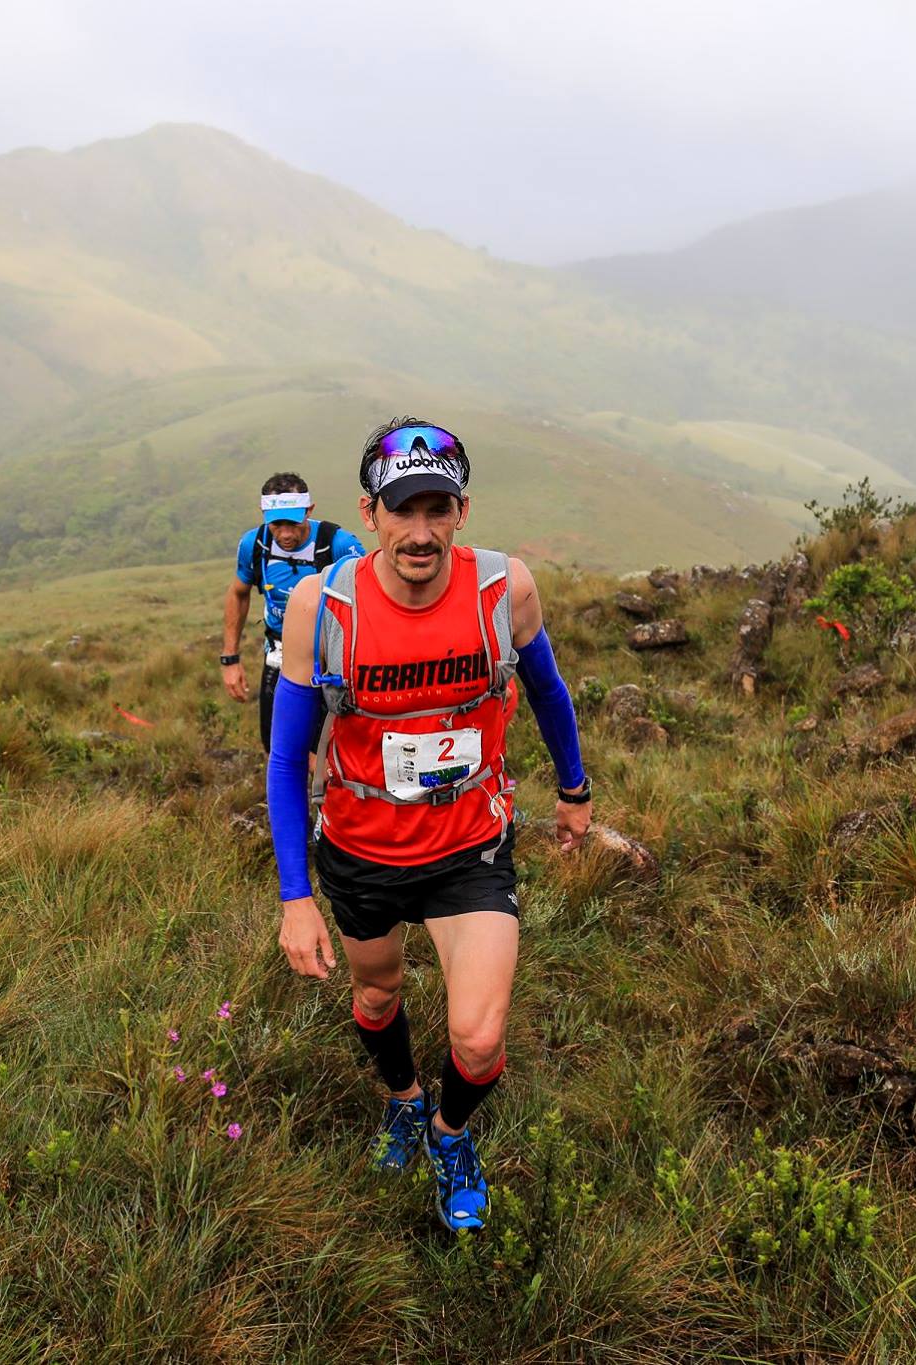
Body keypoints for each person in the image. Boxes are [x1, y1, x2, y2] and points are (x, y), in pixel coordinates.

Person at [264, 418, 592, 1231]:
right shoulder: (321, 605)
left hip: (467, 849)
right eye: (401, 510)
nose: (420, 532)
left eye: (436, 508)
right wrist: (294, 895)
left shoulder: (503, 590)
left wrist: (575, 789)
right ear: (369, 514)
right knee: (377, 993)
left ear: (461, 510)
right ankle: (405, 1101)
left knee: (477, 1040)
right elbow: (284, 758)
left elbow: (549, 692)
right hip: (359, 849)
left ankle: (450, 1134)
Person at [222, 473, 364, 749]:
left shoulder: (339, 544)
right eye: (276, 524)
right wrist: (230, 659)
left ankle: (328, 790)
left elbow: (367, 602)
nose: (285, 534)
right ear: (264, 515)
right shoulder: (255, 545)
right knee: (277, 743)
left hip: (330, 655)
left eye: (293, 522)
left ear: (309, 511)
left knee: (333, 745)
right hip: (279, 651)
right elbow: (238, 593)